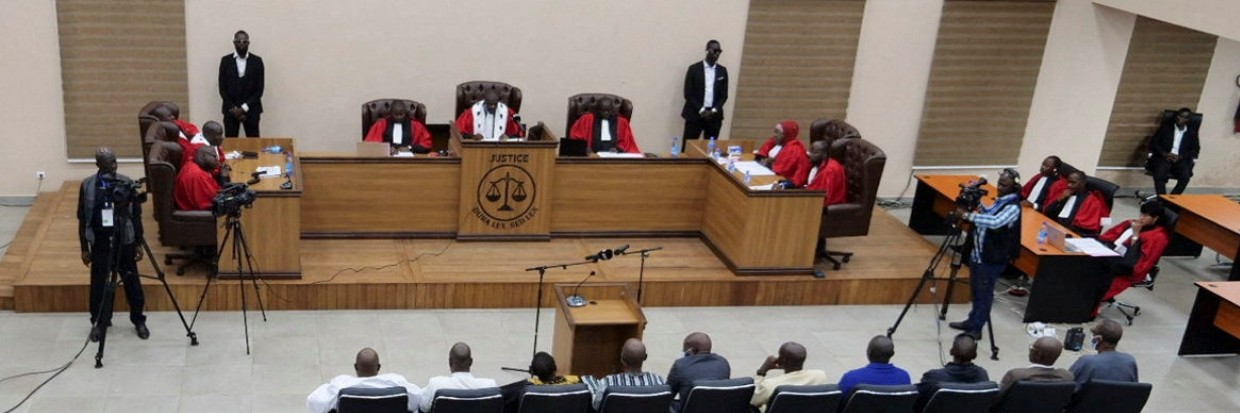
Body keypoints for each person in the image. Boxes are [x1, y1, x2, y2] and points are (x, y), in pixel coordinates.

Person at [78, 148, 148, 342]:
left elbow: (136, 216)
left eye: (115, 161)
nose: (114, 166)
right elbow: (83, 218)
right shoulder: (87, 185)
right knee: (99, 283)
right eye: (109, 163)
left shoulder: (126, 183)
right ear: (98, 165)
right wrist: (84, 247)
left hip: (124, 240)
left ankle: (139, 320)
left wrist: (138, 243)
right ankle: (99, 323)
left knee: (132, 282)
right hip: (100, 241)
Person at [949, 169, 1022, 339]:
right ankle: (972, 320)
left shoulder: (1013, 206)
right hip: (979, 255)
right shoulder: (1000, 201)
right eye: (999, 183)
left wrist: (968, 216)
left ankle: (976, 328)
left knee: (984, 294)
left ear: (1014, 186)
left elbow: (995, 222)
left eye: (1004, 184)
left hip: (992, 258)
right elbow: (989, 214)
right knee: (976, 292)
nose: (1000, 187)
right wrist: (977, 201)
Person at [1096, 200, 1170, 306]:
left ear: (1155, 218)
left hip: (1130, 267)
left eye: (1146, 215)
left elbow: (1138, 260)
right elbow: (1109, 236)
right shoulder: (1131, 223)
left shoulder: (1159, 237)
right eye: (1141, 214)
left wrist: (1135, 233)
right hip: (1115, 255)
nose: (1141, 217)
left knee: (1098, 269)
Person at [306, 347, 421, 413]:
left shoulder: (340, 385)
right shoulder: (396, 382)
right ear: (379, 367)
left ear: (356, 367)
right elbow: (419, 401)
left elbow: (314, 402)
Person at [583, 338, 665, 410]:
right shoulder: (659, 382)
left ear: (622, 359)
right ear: (645, 357)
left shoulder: (607, 383)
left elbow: (596, 406)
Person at [915, 334, 989, 410]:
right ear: (975, 355)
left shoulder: (933, 377)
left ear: (951, 351)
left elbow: (916, 403)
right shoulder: (982, 376)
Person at [419, 342, 499, 413]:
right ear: (471, 362)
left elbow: (423, 407)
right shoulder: (490, 387)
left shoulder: (436, 385)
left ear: (450, 362)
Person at [750, 342, 828, 411]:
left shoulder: (770, 386)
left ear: (781, 361)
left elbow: (752, 399)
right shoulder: (820, 376)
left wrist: (761, 371)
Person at [666, 332, 730, 411]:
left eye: (684, 350)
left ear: (692, 350)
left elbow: (667, 395)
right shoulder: (722, 363)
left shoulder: (681, 365)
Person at [218, 30, 265, 137]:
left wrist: (244, 108)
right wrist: (234, 109)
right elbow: (222, 88)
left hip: (252, 109)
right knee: (230, 144)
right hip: (231, 110)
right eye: (239, 41)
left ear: (248, 43)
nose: (241, 44)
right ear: (234, 43)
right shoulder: (225, 61)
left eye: (244, 42)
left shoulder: (257, 61)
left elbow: (259, 90)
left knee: (253, 144)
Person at [681, 40, 728, 142]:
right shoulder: (694, 69)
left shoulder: (722, 71)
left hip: (714, 116)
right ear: (708, 50)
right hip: (695, 114)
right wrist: (702, 110)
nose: (717, 54)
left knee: (710, 148)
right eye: (715, 50)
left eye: (719, 51)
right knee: (688, 146)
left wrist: (713, 110)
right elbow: (688, 93)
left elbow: (724, 95)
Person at [1069, 319, 1138, 388]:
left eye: (1093, 332)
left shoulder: (1087, 362)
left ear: (1098, 339)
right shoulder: (1129, 361)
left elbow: (1067, 386)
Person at [1149, 107, 1200, 195]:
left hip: (1180, 158)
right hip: (1165, 157)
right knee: (1159, 175)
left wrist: (1181, 157)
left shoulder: (1191, 133)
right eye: (1178, 116)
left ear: (1187, 120)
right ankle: (1162, 198)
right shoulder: (1166, 128)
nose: (1179, 118)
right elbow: (1154, 143)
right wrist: (1164, 154)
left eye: (1183, 117)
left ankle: (1172, 199)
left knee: (1185, 177)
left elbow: (1195, 149)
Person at [998, 336, 1073, 396]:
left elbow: (997, 399)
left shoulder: (1016, 375)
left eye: (1032, 348)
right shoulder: (1067, 376)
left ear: (1038, 355)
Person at [838, 335, 911, 395]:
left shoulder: (852, 378)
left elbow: (838, 403)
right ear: (892, 354)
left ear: (868, 353)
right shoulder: (904, 377)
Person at [1043, 170, 1110, 236]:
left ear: (1082, 183)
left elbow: (1087, 229)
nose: (1069, 185)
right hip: (1054, 229)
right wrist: (1059, 200)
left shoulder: (1091, 201)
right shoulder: (1066, 193)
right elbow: (1047, 212)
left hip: (1070, 235)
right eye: (1068, 182)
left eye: (1073, 183)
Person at [568, 98, 641, 154]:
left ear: (612, 110)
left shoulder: (621, 122)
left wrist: (618, 149)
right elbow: (575, 136)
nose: (605, 113)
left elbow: (626, 142)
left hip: (613, 158)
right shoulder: (587, 119)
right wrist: (584, 148)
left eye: (608, 110)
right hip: (592, 157)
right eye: (603, 110)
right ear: (598, 110)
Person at [755, 121, 811, 187]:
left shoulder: (794, 149)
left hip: (785, 182)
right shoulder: (776, 141)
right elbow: (762, 154)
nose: (775, 135)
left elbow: (783, 172)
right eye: (775, 131)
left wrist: (769, 163)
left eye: (778, 132)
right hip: (769, 176)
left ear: (787, 134)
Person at [364, 100, 433, 154]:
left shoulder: (415, 125)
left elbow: (426, 146)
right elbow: (371, 146)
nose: (398, 117)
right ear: (391, 113)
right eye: (396, 114)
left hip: (409, 159)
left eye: (401, 114)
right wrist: (386, 150)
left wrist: (410, 148)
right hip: (386, 159)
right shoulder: (381, 124)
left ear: (405, 113)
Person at [455, 90, 524, 141]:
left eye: (495, 104)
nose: (492, 107)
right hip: (478, 149)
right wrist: (473, 136)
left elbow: (517, 133)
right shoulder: (471, 113)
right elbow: (459, 132)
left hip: (500, 149)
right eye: (490, 104)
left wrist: (508, 137)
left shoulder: (507, 112)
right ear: (485, 102)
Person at [175, 146, 222, 211]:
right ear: (203, 155)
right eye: (214, 157)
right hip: (193, 211)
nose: (217, 160)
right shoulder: (197, 174)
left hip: (190, 205)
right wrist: (225, 178)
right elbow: (213, 201)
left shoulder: (191, 164)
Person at [803, 139, 847, 205]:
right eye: (810, 150)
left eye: (815, 152)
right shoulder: (819, 164)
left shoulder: (830, 170)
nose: (810, 154)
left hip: (829, 205)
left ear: (824, 155)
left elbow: (825, 197)